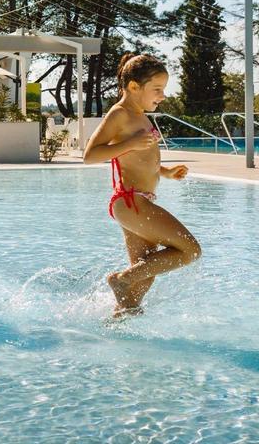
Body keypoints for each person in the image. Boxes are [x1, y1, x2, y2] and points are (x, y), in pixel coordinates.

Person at [84, 53, 201, 317]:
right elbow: (90, 155)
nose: (163, 95)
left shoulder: (140, 115)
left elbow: (139, 159)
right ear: (134, 86)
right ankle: (120, 280)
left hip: (137, 200)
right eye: (157, 89)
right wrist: (129, 144)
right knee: (190, 250)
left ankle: (119, 321)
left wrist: (166, 172)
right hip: (130, 201)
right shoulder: (120, 114)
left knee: (144, 275)